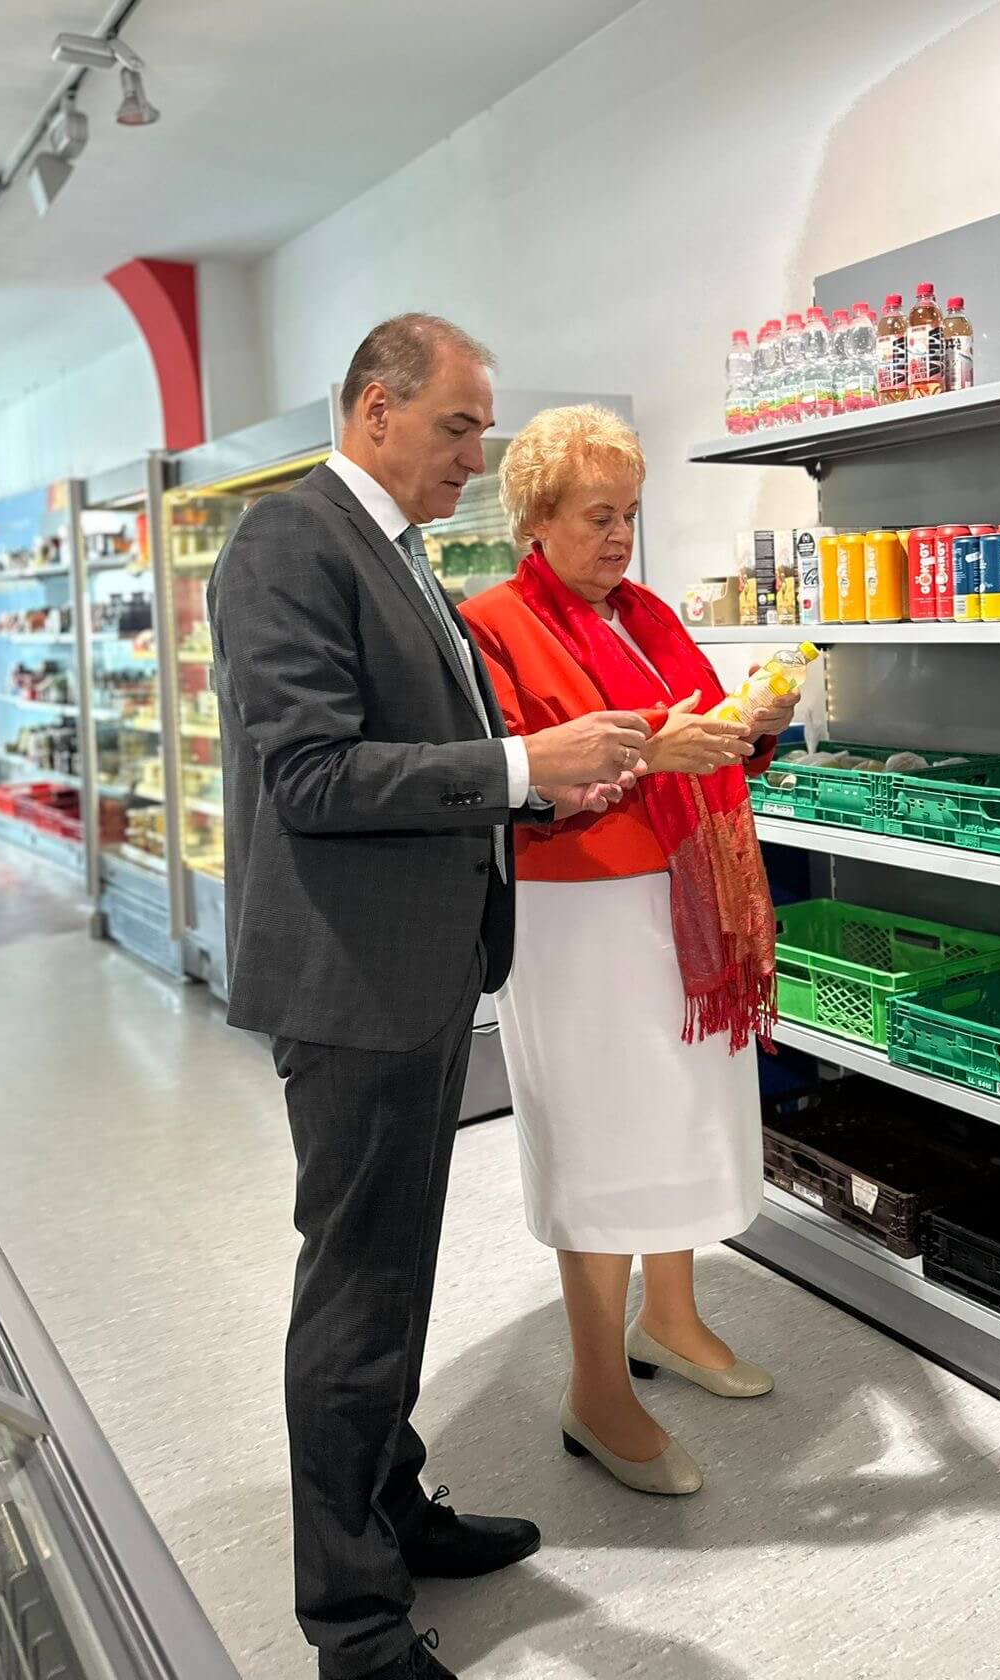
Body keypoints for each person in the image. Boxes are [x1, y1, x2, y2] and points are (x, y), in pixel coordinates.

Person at [208, 320, 650, 1680]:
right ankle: (353, 1622)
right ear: (374, 410)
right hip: (353, 981)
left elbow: (422, 751)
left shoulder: (398, 552)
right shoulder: (290, 543)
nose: (476, 453)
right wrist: (520, 765)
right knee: (355, 1289)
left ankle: (391, 1503)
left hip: (416, 966)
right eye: (459, 426)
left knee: (394, 1266)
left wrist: (543, 784)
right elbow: (311, 778)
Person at [462, 405, 799, 1498]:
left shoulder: (644, 612)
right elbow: (518, 776)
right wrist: (659, 748)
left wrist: (755, 723)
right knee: (600, 1136)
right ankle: (597, 1387)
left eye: (631, 514)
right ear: (536, 517)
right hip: (578, 920)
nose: (620, 535)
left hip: (680, 903)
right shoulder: (493, 625)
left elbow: (701, 729)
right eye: (597, 515)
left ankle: (672, 1317)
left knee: (682, 1113)